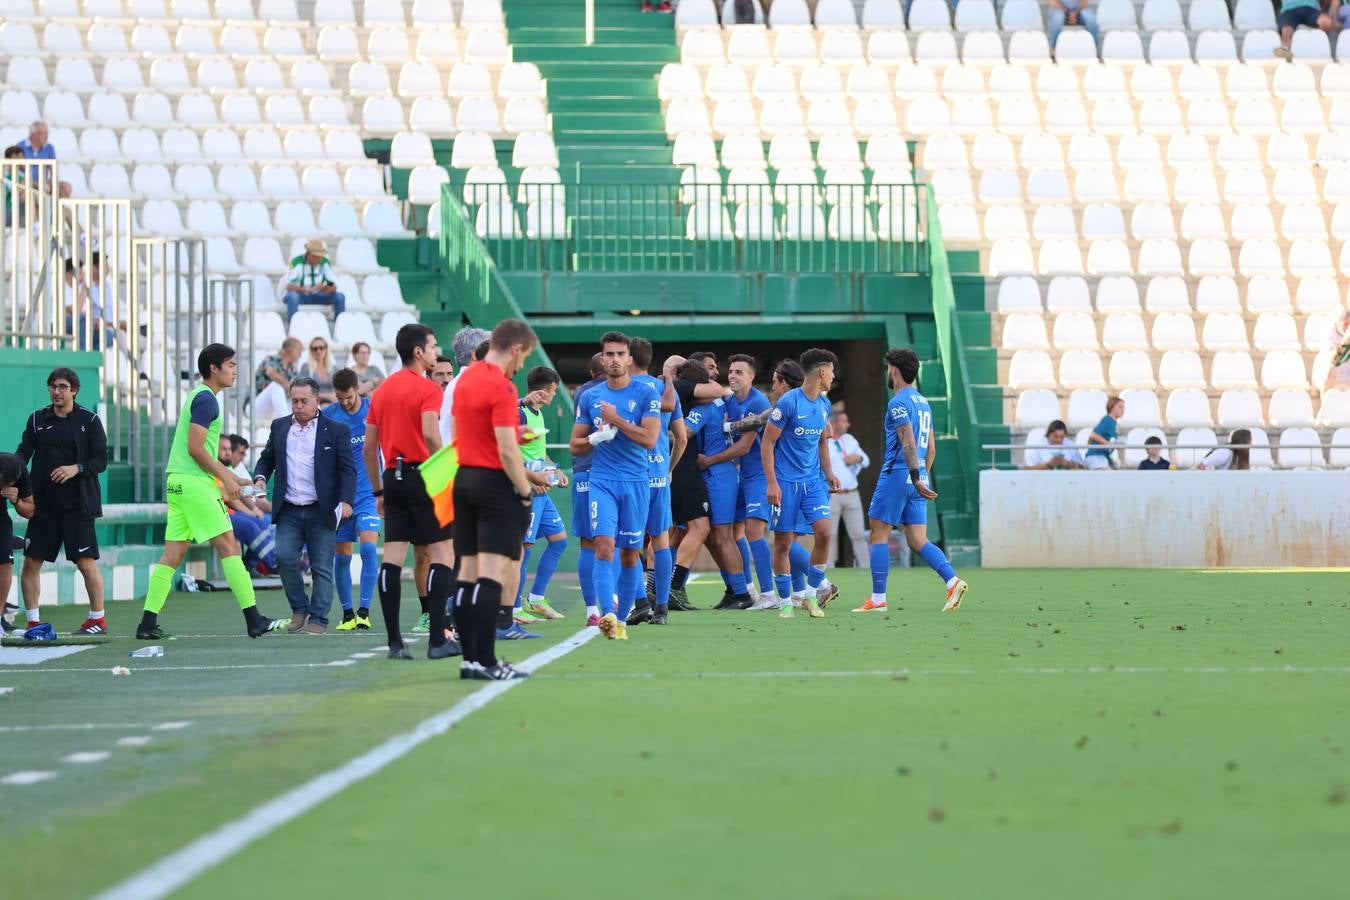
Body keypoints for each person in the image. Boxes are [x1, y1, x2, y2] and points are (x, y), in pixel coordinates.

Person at [136, 344, 287, 640]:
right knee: (229, 545)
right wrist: (226, 479)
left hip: (179, 482)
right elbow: (195, 448)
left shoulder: (200, 396)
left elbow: (198, 449)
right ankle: (254, 619)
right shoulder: (207, 400)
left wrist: (231, 476)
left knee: (172, 555)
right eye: (230, 364)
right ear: (214, 368)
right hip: (194, 484)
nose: (235, 370)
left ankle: (147, 623)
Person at [451, 318, 540, 679]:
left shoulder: (466, 379)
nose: (521, 367)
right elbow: (505, 451)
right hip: (493, 485)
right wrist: (523, 491)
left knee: (467, 575)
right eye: (524, 358)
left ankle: (470, 660)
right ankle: (487, 660)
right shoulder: (501, 387)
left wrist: (513, 431)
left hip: (464, 479)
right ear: (515, 349)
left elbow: (467, 431)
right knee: (492, 575)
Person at [365, 323, 459, 661]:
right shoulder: (427, 388)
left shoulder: (383, 391)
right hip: (425, 474)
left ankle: (395, 643)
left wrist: (378, 489)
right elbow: (432, 435)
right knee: (442, 553)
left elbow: (369, 447)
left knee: (392, 557)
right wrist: (448, 473)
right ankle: (438, 639)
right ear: (418, 352)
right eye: (432, 347)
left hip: (393, 476)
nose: (436, 352)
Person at [856, 348, 969, 615]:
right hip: (918, 477)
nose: (887, 372)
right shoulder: (923, 401)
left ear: (894, 370)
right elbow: (930, 449)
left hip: (897, 474)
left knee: (879, 534)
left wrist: (913, 478)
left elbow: (907, 441)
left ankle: (878, 599)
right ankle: (952, 581)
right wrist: (920, 478)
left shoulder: (898, 403)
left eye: (888, 368)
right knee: (918, 540)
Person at [569, 331, 662, 641]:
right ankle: (606, 613)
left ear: (629, 359)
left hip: (636, 483)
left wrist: (617, 421)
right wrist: (596, 438)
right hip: (602, 482)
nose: (614, 360)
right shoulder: (590, 397)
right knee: (604, 547)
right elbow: (575, 446)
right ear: (602, 358)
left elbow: (649, 439)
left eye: (620, 354)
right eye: (609, 354)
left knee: (629, 555)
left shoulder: (647, 393)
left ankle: (619, 620)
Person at [253, 378, 354, 634]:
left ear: (317, 401)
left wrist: (346, 501)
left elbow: (347, 470)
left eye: (303, 401)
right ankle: (299, 609)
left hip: (322, 509)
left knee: (321, 565)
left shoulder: (336, 430)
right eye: (294, 401)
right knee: (285, 558)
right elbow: (266, 460)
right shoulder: (279, 427)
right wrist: (260, 477)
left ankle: (319, 619)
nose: (298, 406)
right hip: (288, 509)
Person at [16, 367, 110, 636]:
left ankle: (97, 619)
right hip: (43, 506)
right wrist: (11, 471)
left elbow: (100, 460)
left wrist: (76, 468)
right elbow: (24, 452)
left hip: (78, 506)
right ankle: (33, 622)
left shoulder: (89, 421)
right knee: (31, 562)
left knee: (85, 563)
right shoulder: (37, 419)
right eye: (53, 387)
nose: (57, 392)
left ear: (74, 391)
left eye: (62, 387)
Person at [761, 348, 841, 618]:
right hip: (785, 482)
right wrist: (772, 483)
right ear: (821, 372)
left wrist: (828, 472)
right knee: (783, 543)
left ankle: (810, 595)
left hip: (813, 482)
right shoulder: (788, 403)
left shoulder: (824, 404)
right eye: (831, 371)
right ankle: (785, 602)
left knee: (825, 532)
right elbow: (767, 443)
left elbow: (821, 439)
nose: (833, 376)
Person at [623, 338, 685, 626]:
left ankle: (639, 603)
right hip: (659, 474)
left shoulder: (623, 389)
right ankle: (661, 608)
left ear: (629, 359)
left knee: (628, 543)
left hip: (631, 476)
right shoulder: (663, 388)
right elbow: (681, 438)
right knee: (660, 541)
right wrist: (669, 467)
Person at [686, 367, 755, 612]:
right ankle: (736, 590)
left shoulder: (702, 409)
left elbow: (682, 433)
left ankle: (742, 592)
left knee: (724, 536)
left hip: (716, 475)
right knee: (717, 536)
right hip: (722, 475)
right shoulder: (722, 403)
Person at [509, 366, 570, 632]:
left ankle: (535, 599)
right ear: (543, 391)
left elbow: (537, 451)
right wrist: (534, 478)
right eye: (554, 391)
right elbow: (509, 451)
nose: (554, 396)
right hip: (528, 489)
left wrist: (553, 469)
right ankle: (513, 607)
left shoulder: (538, 413)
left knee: (560, 540)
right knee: (525, 548)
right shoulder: (518, 411)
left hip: (541, 488)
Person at [322, 368, 382, 631]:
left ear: (357, 389)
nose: (344, 402)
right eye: (339, 397)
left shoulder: (374, 410)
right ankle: (347, 614)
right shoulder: (329, 416)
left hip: (369, 492)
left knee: (368, 548)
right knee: (343, 554)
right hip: (341, 497)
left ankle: (364, 611)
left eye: (348, 396)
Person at [724, 354, 775, 607]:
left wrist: (709, 460)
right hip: (742, 475)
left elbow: (744, 446)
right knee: (734, 531)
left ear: (751, 377)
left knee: (755, 530)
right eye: (731, 371)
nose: (732, 375)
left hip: (760, 475)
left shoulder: (758, 401)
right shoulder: (729, 401)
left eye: (739, 372)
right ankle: (749, 591)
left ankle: (769, 595)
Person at [570, 353, 606, 624]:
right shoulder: (606, 392)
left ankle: (592, 609)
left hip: (584, 470)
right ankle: (613, 599)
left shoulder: (582, 393)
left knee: (588, 542)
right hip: (610, 473)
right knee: (613, 540)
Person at [218, 435, 278, 576]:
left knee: (266, 522)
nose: (228, 452)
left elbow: (251, 491)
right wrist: (256, 507)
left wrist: (259, 503)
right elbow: (233, 494)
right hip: (222, 513)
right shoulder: (217, 468)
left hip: (232, 510)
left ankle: (252, 565)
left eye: (229, 449)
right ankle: (274, 563)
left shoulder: (235, 468)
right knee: (255, 524)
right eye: (224, 449)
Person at [825, 405, 871, 569]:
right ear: (835, 423)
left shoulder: (850, 440)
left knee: (858, 534)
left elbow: (866, 460)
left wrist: (857, 458)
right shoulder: (824, 442)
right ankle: (828, 569)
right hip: (832, 495)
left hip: (852, 494)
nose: (848, 425)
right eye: (845, 421)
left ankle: (866, 568)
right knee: (830, 534)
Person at [0, 453, 34, 637]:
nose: (5, 487)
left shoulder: (20, 472)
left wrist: (16, 500)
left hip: (1, 513)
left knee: (5, 562)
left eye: (9, 484)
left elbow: (30, 510)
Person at [283, 238, 345, 321]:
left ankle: (339, 325)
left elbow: (331, 282)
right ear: (308, 254)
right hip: (301, 295)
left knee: (340, 297)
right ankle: (293, 327)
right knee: (292, 296)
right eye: (316, 256)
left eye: (320, 256)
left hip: (319, 295)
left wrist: (329, 287)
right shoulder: (296, 262)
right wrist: (307, 289)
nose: (318, 259)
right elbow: (288, 286)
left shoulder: (324, 262)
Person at [17, 121, 72, 200]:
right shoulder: (20, 147)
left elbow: (53, 170)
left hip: (44, 184)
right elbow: (16, 171)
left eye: (47, 133)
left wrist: (51, 182)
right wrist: (33, 183)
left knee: (66, 187)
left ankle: (57, 210)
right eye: (44, 133)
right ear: (34, 134)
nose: (47, 136)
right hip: (26, 184)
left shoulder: (49, 148)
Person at [253, 337, 303, 422]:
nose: (300, 355)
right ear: (291, 350)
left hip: (276, 410)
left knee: (305, 398)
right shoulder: (270, 359)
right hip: (256, 408)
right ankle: (286, 424)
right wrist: (290, 387)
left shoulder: (293, 368)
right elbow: (270, 373)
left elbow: (296, 390)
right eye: (299, 351)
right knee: (276, 386)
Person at [1085, 396, 1124, 470]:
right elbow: (1093, 435)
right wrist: (1109, 444)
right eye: (1120, 407)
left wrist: (1111, 462)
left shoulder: (1112, 423)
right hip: (1096, 457)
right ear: (1112, 407)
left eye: (1123, 407)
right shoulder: (1108, 420)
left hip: (1101, 457)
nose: (1122, 410)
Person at [299, 337, 337, 405]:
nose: (318, 351)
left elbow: (339, 390)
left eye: (321, 348)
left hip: (332, 403)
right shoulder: (306, 367)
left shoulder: (334, 368)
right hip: (313, 403)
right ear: (311, 351)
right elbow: (303, 390)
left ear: (326, 349)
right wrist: (327, 396)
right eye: (315, 349)